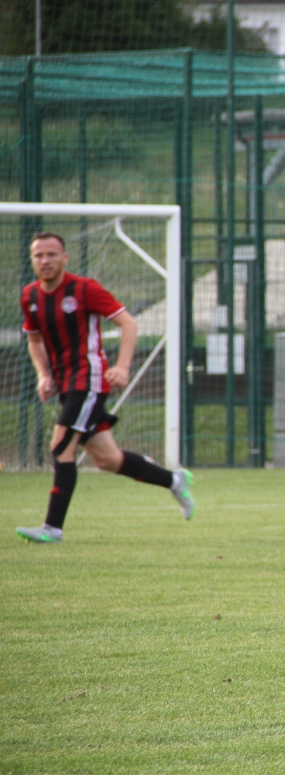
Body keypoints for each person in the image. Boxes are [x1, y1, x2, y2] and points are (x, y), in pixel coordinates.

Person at [16, 232, 195, 544]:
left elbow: (129, 323)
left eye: (52, 254)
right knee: (108, 459)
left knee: (61, 445)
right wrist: (43, 375)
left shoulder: (84, 289)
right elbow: (34, 339)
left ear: (65, 258)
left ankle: (52, 528)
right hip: (66, 385)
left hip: (89, 380)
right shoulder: (29, 296)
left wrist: (122, 367)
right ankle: (175, 480)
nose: (45, 260)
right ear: (32, 260)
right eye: (39, 255)